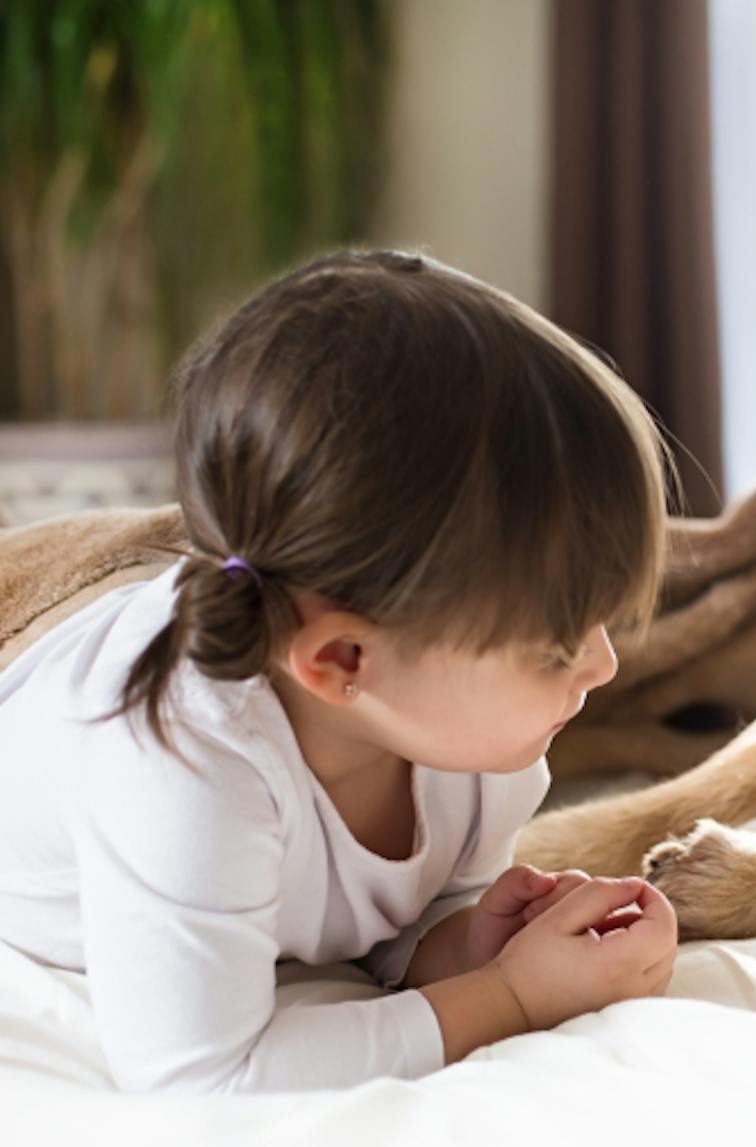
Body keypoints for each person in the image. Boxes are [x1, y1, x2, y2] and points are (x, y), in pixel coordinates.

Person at [0, 250, 683, 1093]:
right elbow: (204, 1078)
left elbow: (381, 928)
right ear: (341, 660)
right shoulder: (182, 764)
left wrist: (468, 939)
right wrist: (509, 996)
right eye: (554, 649)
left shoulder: (472, 746)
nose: (605, 667)